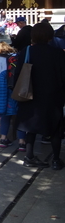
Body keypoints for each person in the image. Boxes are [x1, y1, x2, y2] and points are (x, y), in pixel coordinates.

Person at [15, 22, 65, 170]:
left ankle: (29, 156)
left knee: (31, 127)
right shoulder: (58, 53)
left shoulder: (27, 51)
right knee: (56, 128)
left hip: (30, 94)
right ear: (50, 36)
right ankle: (56, 159)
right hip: (53, 96)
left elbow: (18, 74)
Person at [0, 42, 26, 151]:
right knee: (20, 115)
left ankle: (3, 139)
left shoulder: (0, 60)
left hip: (4, 89)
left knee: (4, 114)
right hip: (17, 87)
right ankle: (22, 142)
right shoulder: (18, 58)